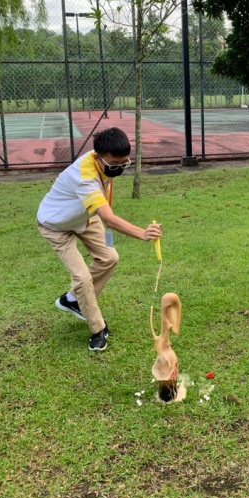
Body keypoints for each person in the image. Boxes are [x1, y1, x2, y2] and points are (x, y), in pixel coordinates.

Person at [37, 127, 161, 352]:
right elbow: (109, 219)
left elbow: (102, 211)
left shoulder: (102, 163)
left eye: (124, 164)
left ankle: (71, 300)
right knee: (82, 277)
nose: (119, 169)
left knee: (110, 257)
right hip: (55, 225)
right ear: (98, 157)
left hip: (85, 217)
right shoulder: (85, 177)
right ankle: (97, 329)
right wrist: (142, 233)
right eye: (114, 165)